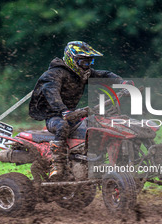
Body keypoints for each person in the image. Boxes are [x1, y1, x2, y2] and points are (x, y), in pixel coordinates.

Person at [29, 41, 130, 180]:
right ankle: (56, 163)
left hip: (73, 115)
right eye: (84, 62)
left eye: (90, 62)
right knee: (62, 126)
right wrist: (63, 110)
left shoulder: (82, 74)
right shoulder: (54, 74)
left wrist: (122, 82)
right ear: (72, 60)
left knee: (99, 122)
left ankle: (94, 159)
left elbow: (104, 75)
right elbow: (51, 93)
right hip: (55, 116)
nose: (88, 66)